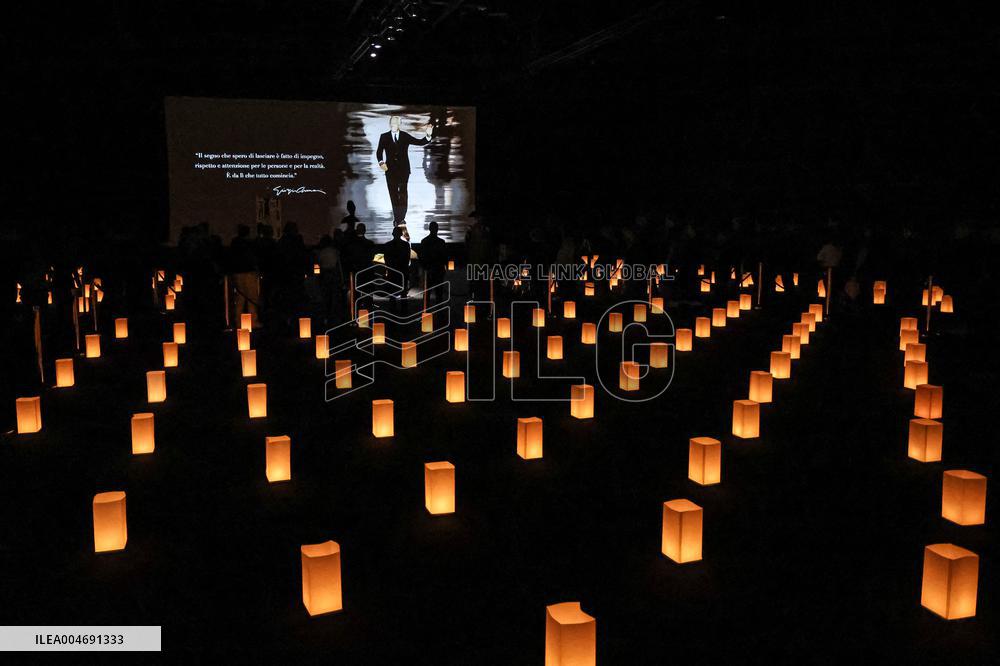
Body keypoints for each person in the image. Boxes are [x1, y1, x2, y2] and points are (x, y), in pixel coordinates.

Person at [375, 116, 435, 227]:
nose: (393, 125)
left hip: (404, 170)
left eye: (395, 124)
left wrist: (428, 135)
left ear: (399, 125)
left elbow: (420, 142)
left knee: (403, 194)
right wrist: (381, 162)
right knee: (393, 194)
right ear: (389, 124)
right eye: (391, 123)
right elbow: (379, 152)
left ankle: (400, 219)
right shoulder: (384, 137)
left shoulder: (404, 136)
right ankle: (397, 219)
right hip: (390, 170)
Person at [382, 226, 411, 313]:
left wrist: (391, 267)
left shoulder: (388, 245)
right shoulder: (405, 245)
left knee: (392, 293)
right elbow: (406, 259)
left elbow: (387, 259)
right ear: (401, 234)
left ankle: (393, 310)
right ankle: (403, 310)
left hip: (393, 271)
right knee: (402, 293)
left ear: (393, 234)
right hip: (401, 272)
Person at [418, 221, 448, 304]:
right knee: (439, 293)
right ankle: (439, 310)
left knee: (428, 292)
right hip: (438, 269)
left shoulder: (424, 241)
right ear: (437, 229)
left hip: (429, 270)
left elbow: (422, 257)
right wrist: (445, 267)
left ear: (429, 229)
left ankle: (426, 309)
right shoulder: (441, 242)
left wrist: (424, 268)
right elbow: (444, 256)